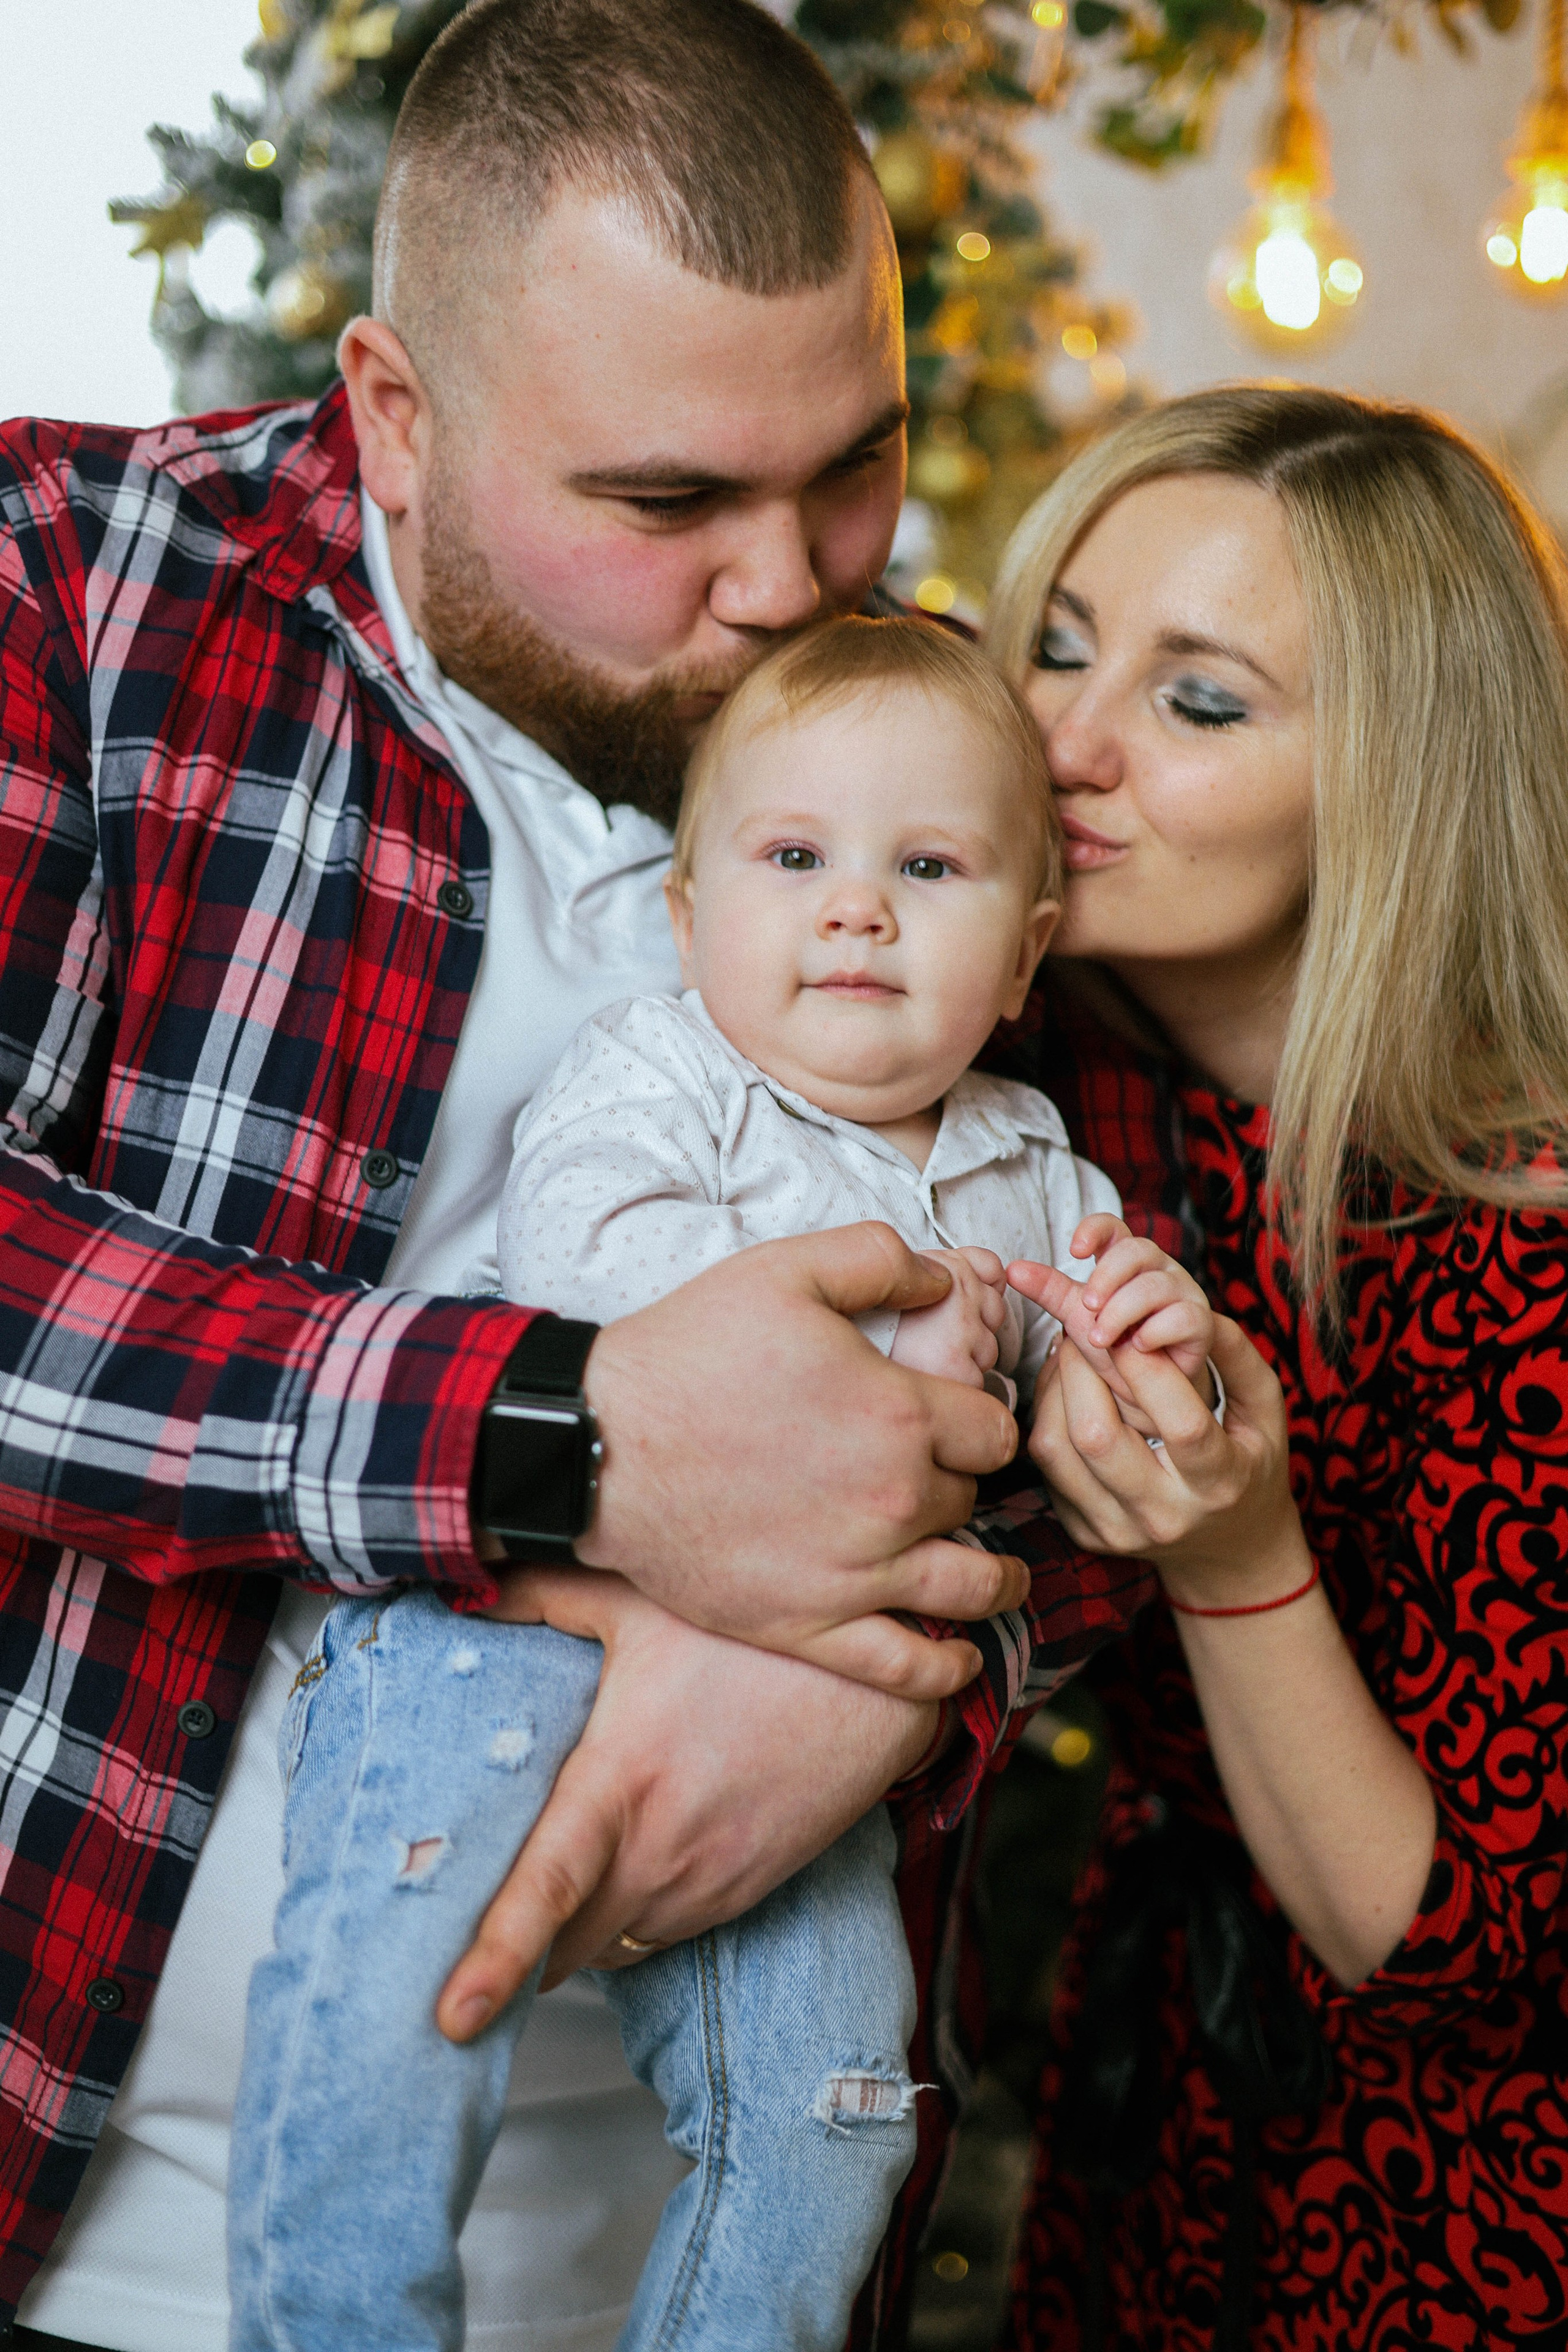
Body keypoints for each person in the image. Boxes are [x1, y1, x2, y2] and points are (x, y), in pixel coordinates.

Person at [0, 4, 1155, 2346]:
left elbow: (1140, 1292)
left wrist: (901, 1652)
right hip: (85, 2221)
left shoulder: (921, 751)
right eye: (667, 503)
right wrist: (574, 1437)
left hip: (688, 2250)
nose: (789, 584)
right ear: (397, 415)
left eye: (857, 466)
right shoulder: (74, 590)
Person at [227, 617, 1218, 2352]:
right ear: (691, 924)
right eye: (793, 859)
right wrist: (907, 1350)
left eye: (927, 865)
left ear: (1023, 956)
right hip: (503, 1635)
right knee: (391, 2012)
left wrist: (1148, 1354)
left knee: (839, 2101)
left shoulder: (1029, 1165)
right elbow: (595, 1267)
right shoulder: (661, 1069)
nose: (857, 909)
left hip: (801, 1721)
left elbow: (1085, 1443)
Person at [976, 385, 1568, 2350]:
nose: (1063, 743)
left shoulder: (1525, 1238)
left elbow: (1441, 1961)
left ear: (1399, 783)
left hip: (1452, 2201)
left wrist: (1238, 1559)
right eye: (1058, 647)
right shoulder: (1059, 1102)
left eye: (1200, 702)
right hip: (1148, 2113)